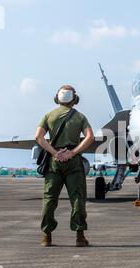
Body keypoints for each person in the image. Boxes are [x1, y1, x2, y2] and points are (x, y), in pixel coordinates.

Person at [35, 85, 95, 247]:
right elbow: (90, 137)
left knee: (49, 199)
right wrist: (72, 152)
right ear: (74, 99)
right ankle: (80, 236)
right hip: (73, 163)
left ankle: (46, 236)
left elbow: (38, 137)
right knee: (77, 198)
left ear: (57, 99)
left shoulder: (48, 115)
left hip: (54, 163)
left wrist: (54, 153)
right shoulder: (80, 117)